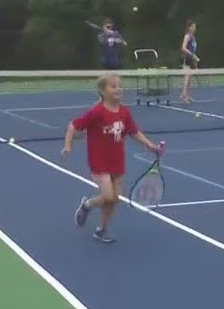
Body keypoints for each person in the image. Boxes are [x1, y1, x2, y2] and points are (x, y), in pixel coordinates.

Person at [62, 73, 163, 244]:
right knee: (108, 196)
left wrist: (151, 146)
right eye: (113, 86)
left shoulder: (124, 112)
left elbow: (134, 132)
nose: (118, 89)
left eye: (119, 86)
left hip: (117, 162)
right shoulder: (97, 112)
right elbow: (74, 125)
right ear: (103, 91)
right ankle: (87, 205)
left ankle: (101, 230)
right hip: (99, 162)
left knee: (114, 199)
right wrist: (68, 145)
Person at [179, 20, 199, 104]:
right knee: (187, 79)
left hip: (191, 59)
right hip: (187, 58)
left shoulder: (193, 37)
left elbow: (192, 48)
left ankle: (187, 95)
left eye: (195, 27)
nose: (194, 28)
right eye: (193, 26)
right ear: (189, 27)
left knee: (189, 79)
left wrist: (195, 57)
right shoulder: (187, 36)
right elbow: (183, 47)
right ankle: (184, 95)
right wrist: (192, 55)